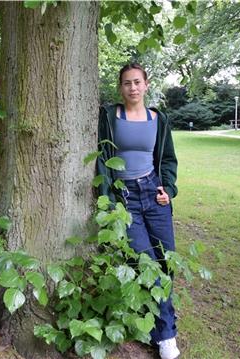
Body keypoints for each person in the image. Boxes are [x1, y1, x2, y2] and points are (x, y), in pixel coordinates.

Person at [97, 63, 179, 359]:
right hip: (126, 197)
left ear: (146, 84)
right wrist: (108, 196)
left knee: (166, 262)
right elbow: (101, 159)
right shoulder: (109, 117)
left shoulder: (158, 119)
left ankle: (161, 325)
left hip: (154, 196)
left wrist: (168, 189)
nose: (132, 88)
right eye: (126, 83)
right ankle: (166, 335)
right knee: (145, 262)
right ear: (120, 88)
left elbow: (168, 159)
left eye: (137, 82)